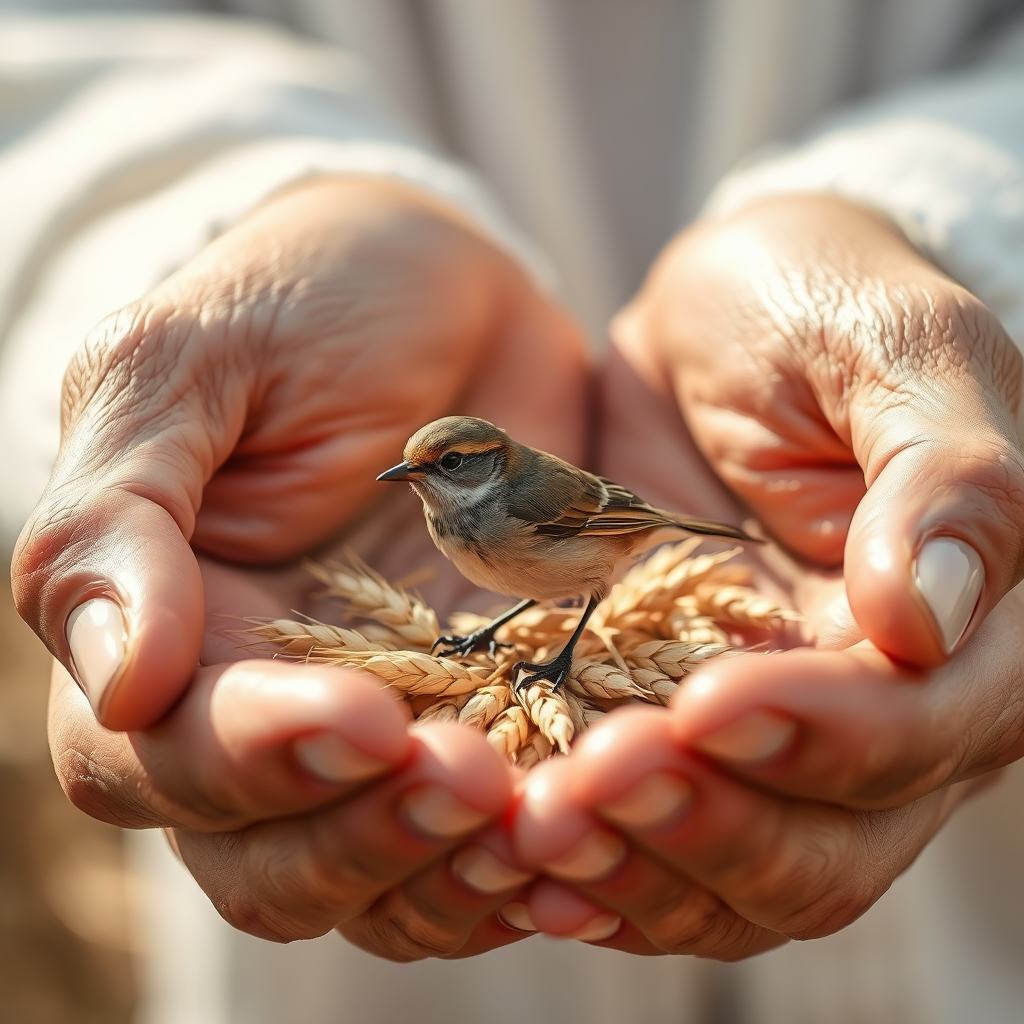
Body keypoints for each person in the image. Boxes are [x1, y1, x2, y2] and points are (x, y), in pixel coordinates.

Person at [6, 2, 1024, 1021]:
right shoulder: (459, 519)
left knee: (567, 629)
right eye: (417, 470)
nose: (420, 483)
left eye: (442, 467)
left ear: (487, 466)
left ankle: (545, 655)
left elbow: (602, 527)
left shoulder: (530, 504)